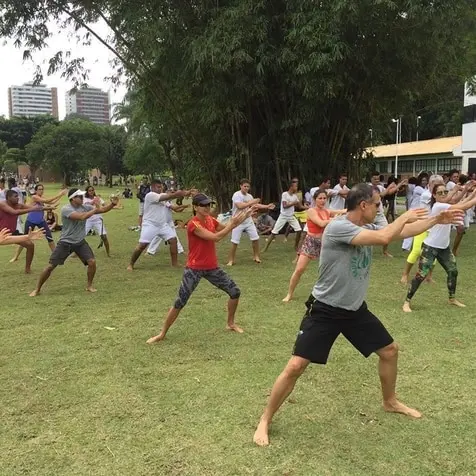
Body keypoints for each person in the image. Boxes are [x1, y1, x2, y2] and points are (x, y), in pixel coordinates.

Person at [253, 183, 463, 447]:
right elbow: (386, 237)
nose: (378, 208)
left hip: (354, 310)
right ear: (363, 205)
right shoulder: (339, 228)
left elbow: (403, 231)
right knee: (296, 366)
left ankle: (390, 401)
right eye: (376, 204)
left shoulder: (369, 227)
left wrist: (435, 219)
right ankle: (265, 419)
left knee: (389, 351)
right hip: (325, 309)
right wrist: (403, 217)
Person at [146, 193, 255, 344]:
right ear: (195, 207)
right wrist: (232, 223)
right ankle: (162, 333)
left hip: (211, 268)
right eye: (203, 205)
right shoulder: (193, 224)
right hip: (194, 268)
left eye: (208, 205)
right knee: (180, 302)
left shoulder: (210, 219)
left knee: (235, 292)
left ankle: (230, 323)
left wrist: (244, 215)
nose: (206, 208)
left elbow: (228, 227)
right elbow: (216, 237)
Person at [29, 189, 119, 297]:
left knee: (92, 262)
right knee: (50, 266)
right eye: (79, 197)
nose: (82, 198)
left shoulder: (85, 207)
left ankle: (89, 286)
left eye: (82, 196)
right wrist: (95, 210)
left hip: (80, 241)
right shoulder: (66, 209)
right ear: (72, 199)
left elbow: (103, 210)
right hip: (66, 242)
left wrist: (112, 203)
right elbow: (81, 217)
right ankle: (37, 289)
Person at [402, 183, 476, 313]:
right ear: (434, 196)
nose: (443, 194)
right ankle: (406, 302)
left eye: (445, 192)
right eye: (440, 193)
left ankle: (452, 299)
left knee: (453, 271)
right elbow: (464, 206)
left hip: (444, 248)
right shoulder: (438, 206)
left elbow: (462, 201)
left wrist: (473, 192)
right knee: (421, 275)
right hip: (430, 247)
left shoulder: (446, 204)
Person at [282, 189, 345, 302]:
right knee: (300, 269)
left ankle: (331, 294)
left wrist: (353, 208)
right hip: (310, 241)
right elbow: (320, 223)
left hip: (324, 242)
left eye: (324, 198)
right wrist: (334, 219)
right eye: (320, 198)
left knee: (330, 269)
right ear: (315, 199)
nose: (322, 200)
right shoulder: (311, 211)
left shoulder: (326, 211)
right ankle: (289, 294)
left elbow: (342, 210)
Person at [128, 180, 192, 270]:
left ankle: (175, 263)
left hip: (162, 225)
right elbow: (170, 195)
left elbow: (171, 202)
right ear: (153, 187)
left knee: (173, 240)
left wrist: (184, 195)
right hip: (150, 224)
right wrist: (181, 193)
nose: (160, 188)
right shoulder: (150, 195)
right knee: (142, 245)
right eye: (158, 187)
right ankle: (131, 264)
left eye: (161, 187)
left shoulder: (162, 197)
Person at [10, 184, 67, 262]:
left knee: (49, 237)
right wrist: (59, 194)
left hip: (41, 221)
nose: (41, 191)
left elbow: (51, 202)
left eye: (42, 189)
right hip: (30, 221)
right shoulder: (34, 197)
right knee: (24, 239)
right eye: (39, 189)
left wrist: (61, 196)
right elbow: (47, 201)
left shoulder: (41, 198)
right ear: (36, 190)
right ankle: (16, 256)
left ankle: (56, 256)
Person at [227, 179, 275, 265]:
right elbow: (240, 206)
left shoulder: (249, 196)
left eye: (248, 186)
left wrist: (267, 206)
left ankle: (256, 256)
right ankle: (231, 260)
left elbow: (255, 205)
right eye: (244, 186)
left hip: (248, 221)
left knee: (255, 238)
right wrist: (251, 202)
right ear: (241, 186)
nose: (246, 188)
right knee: (235, 241)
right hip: (237, 221)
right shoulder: (236, 195)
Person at [0, 189, 48, 273]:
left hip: (12, 232)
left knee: (30, 245)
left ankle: (27, 269)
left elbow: (35, 207)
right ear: (8, 197)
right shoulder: (2, 204)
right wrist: (32, 210)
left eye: (18, 196)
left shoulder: (18, 205)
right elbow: (14, 212)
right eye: (15, 196)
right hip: (2, 233)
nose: (18, 198)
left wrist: (50, 207)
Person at [263, 179, 307, 252]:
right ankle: (265, 247)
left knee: (299, 230)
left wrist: (308, 207)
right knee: (274, 232)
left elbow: (300, 206)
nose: (296, 188)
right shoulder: (285, 194)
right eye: (295, 186)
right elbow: (285, 205)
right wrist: (293, 203)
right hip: (283, 216)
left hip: (291, 216)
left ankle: (296, 246)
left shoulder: (295, 197)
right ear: (291, 187)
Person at [84, 186, 111, 257]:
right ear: (87, 191)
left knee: (104, 236)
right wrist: (92, 202)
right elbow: (83, 207)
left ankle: (108, 253)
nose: (91, 192)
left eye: (92, 190)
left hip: (98, 219)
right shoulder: (84, 199)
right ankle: (75, 252)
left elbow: (104, 206)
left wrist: (98, 203)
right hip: (88, 219)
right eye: (89, 190)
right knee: (81, 236)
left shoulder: (97, 198)